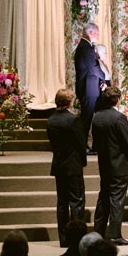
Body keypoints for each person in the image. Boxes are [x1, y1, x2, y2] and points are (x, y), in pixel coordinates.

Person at [92, 86, 128, 245]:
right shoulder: (119, 118)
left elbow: (95, 142)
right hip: (118, 164)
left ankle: (98, 231)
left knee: (103, 196)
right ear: (117, 100)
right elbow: (127, 142)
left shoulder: (96, 117)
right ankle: (115, 234)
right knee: (117, 199)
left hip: (104, 163)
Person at [46, 88, 87, 247]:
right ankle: (76, 238)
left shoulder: (51, 120)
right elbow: (81, 143)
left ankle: (63, 238)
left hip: (59, 164)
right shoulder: (73, 120)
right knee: (76, 202)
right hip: (72, 165)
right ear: (69, 102)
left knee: (62, 202)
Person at [74, 22, 105, 138]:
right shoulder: (85, 47)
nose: (98, 35)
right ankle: (81, 145)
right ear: (90, 32)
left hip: (90, 87)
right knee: (86, 118)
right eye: (97, 33)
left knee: (89, 117)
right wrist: (105, 77)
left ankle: (85, 145)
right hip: (88, 88)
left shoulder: (87, 46)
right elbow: (93, 69)